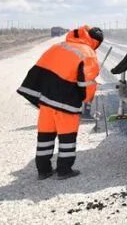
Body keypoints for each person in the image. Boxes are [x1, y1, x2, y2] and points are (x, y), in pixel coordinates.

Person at [17, 26, 103, 179]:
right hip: (66, 102)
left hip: (46, 101)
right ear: (95, 42)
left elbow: (41, 68)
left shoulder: (59, 46)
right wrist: (86, 99)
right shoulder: (88, 53)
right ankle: (64, 170)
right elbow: (87, 83)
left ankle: (43, 171)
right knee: (67, 139)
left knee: (45, 137)